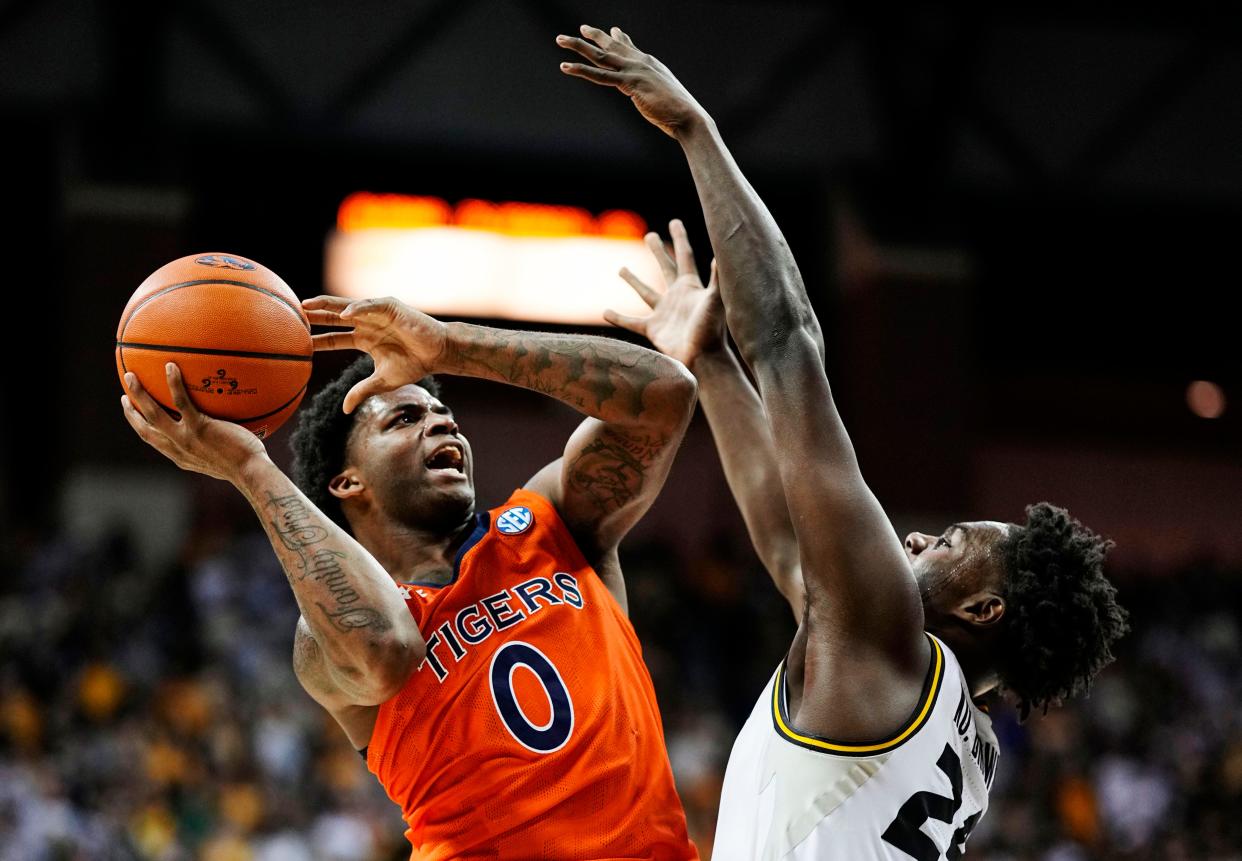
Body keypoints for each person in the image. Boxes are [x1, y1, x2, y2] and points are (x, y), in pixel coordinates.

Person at [560, 27, 1130, 859]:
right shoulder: (962, 737)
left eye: (955, 542)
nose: (923, 536)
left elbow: (790, 339)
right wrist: (713, 363)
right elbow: (794, 550)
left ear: (983, 607)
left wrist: (695, 130)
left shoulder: (889, 639)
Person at [120, 296, 701, 859]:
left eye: (445, 415)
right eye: (406, 418)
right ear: (349, 482)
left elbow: (667, 395)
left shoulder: (554, 524)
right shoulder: (324, 638)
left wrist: (449, 345)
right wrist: (251, 469)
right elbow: (387, 649)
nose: (442, 425)